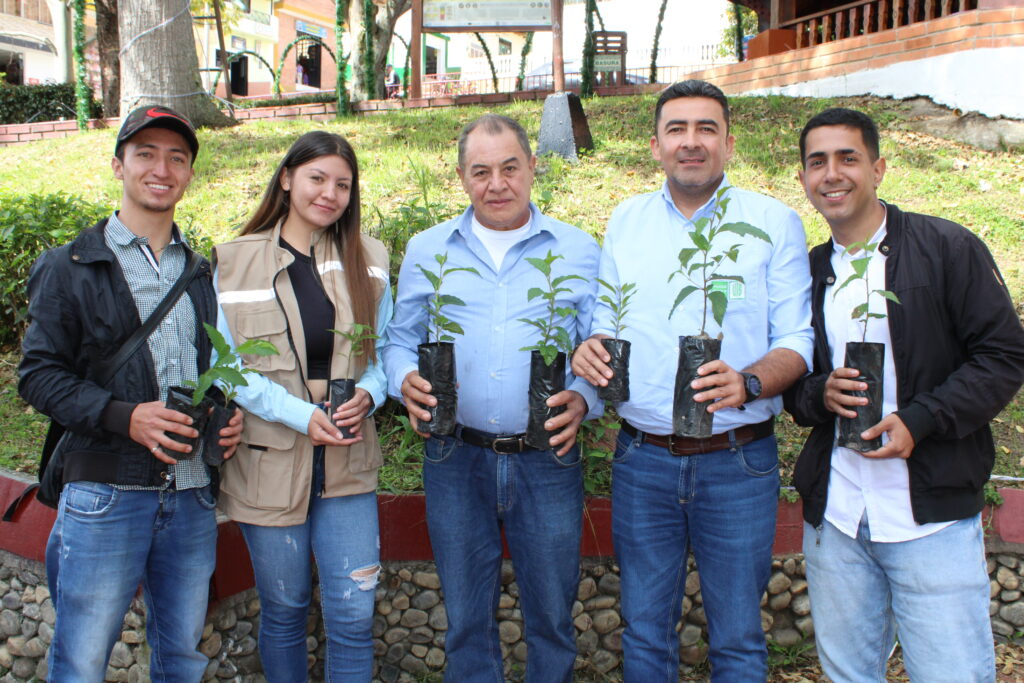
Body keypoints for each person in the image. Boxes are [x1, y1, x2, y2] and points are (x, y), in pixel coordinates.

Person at [571, 79, 814, 681]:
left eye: (706, 128)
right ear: (655, 145)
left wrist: (751, 383)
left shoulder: (772, 222)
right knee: (644, 631)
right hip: (642, 460)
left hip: (738, 462)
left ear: (729, 142)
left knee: (737, 637)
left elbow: (798, 340)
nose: (691, 142)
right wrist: (589, 351)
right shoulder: (626, 221)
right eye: (676, 129)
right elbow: (606, 320)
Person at [785, 107, 1024, 682]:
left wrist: (922, 419)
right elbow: (794, 389)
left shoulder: (946, 249)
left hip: (929, 518)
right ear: (803, 179)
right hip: (839, 517)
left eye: (848, 158)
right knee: (849, 675)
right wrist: (821, 394)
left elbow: (1004, 355)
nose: (832, 174)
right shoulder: (808, 272)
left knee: (953, 674)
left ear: (879, 168)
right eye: (817, 162)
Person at [18, 105, 243, 680]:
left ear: (190, 172)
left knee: (183, 657)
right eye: (145, 153)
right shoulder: (70, 265)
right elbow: (38, 375)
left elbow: (205, 368)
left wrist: (225, 415)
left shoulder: (199, 271)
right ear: (118, 164)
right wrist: (125, 417)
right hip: (105, 495)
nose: (161, 168)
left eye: (177, 157)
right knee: (82, 660)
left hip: (191, 496)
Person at [383, 113, 599, 682]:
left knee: (552, 614)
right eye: (481, 171)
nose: (496, 184)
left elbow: (600, 345)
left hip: (547, 456)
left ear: (533, 166)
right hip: (455, 454)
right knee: (465, 618)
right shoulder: (429, 250)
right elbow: (400, 339)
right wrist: (402, 379)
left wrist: (583, 398)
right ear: (461, 177)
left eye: (509, 167)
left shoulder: (578, 250)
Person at [213, 130, 392, 681]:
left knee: (354, 613)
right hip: (269, 460)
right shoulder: (233, 261)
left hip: (347, 459)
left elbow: (383, 355)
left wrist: (371, 393)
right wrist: (299, 415)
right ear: (287, 178)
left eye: (343, 183)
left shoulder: (371, 258)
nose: (329, 193)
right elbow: (227, 366)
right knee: (286, 610)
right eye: (317, 178)